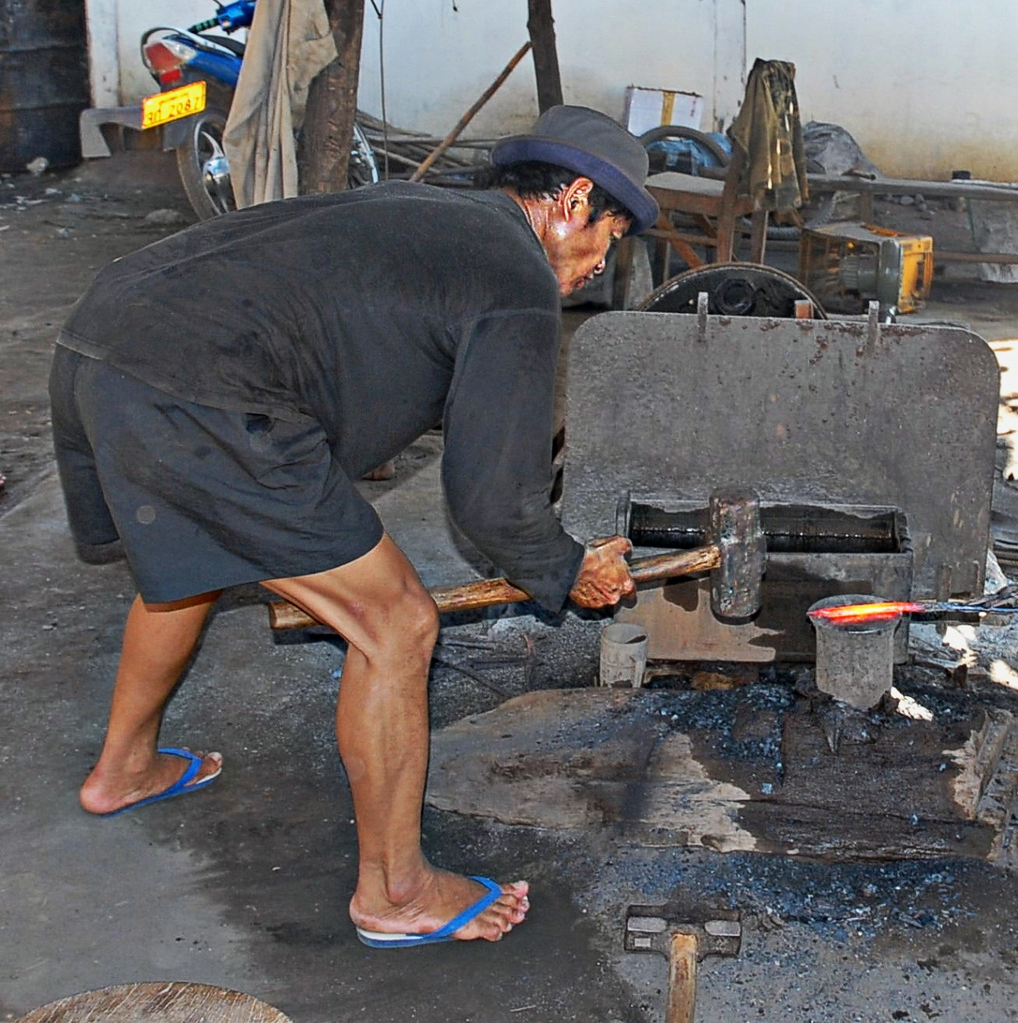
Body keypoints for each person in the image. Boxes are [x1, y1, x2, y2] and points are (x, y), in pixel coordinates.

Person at [49, 105, 658, 945]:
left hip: (102, 338)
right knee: (396, 625)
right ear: (574, 199)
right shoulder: (512, 277)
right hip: (201, 388)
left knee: (194, 546)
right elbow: (493, 501)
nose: (602, 263)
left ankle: (122, 769)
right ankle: (397, 894)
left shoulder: (430, 211)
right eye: (611, 235)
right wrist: (566, 566)